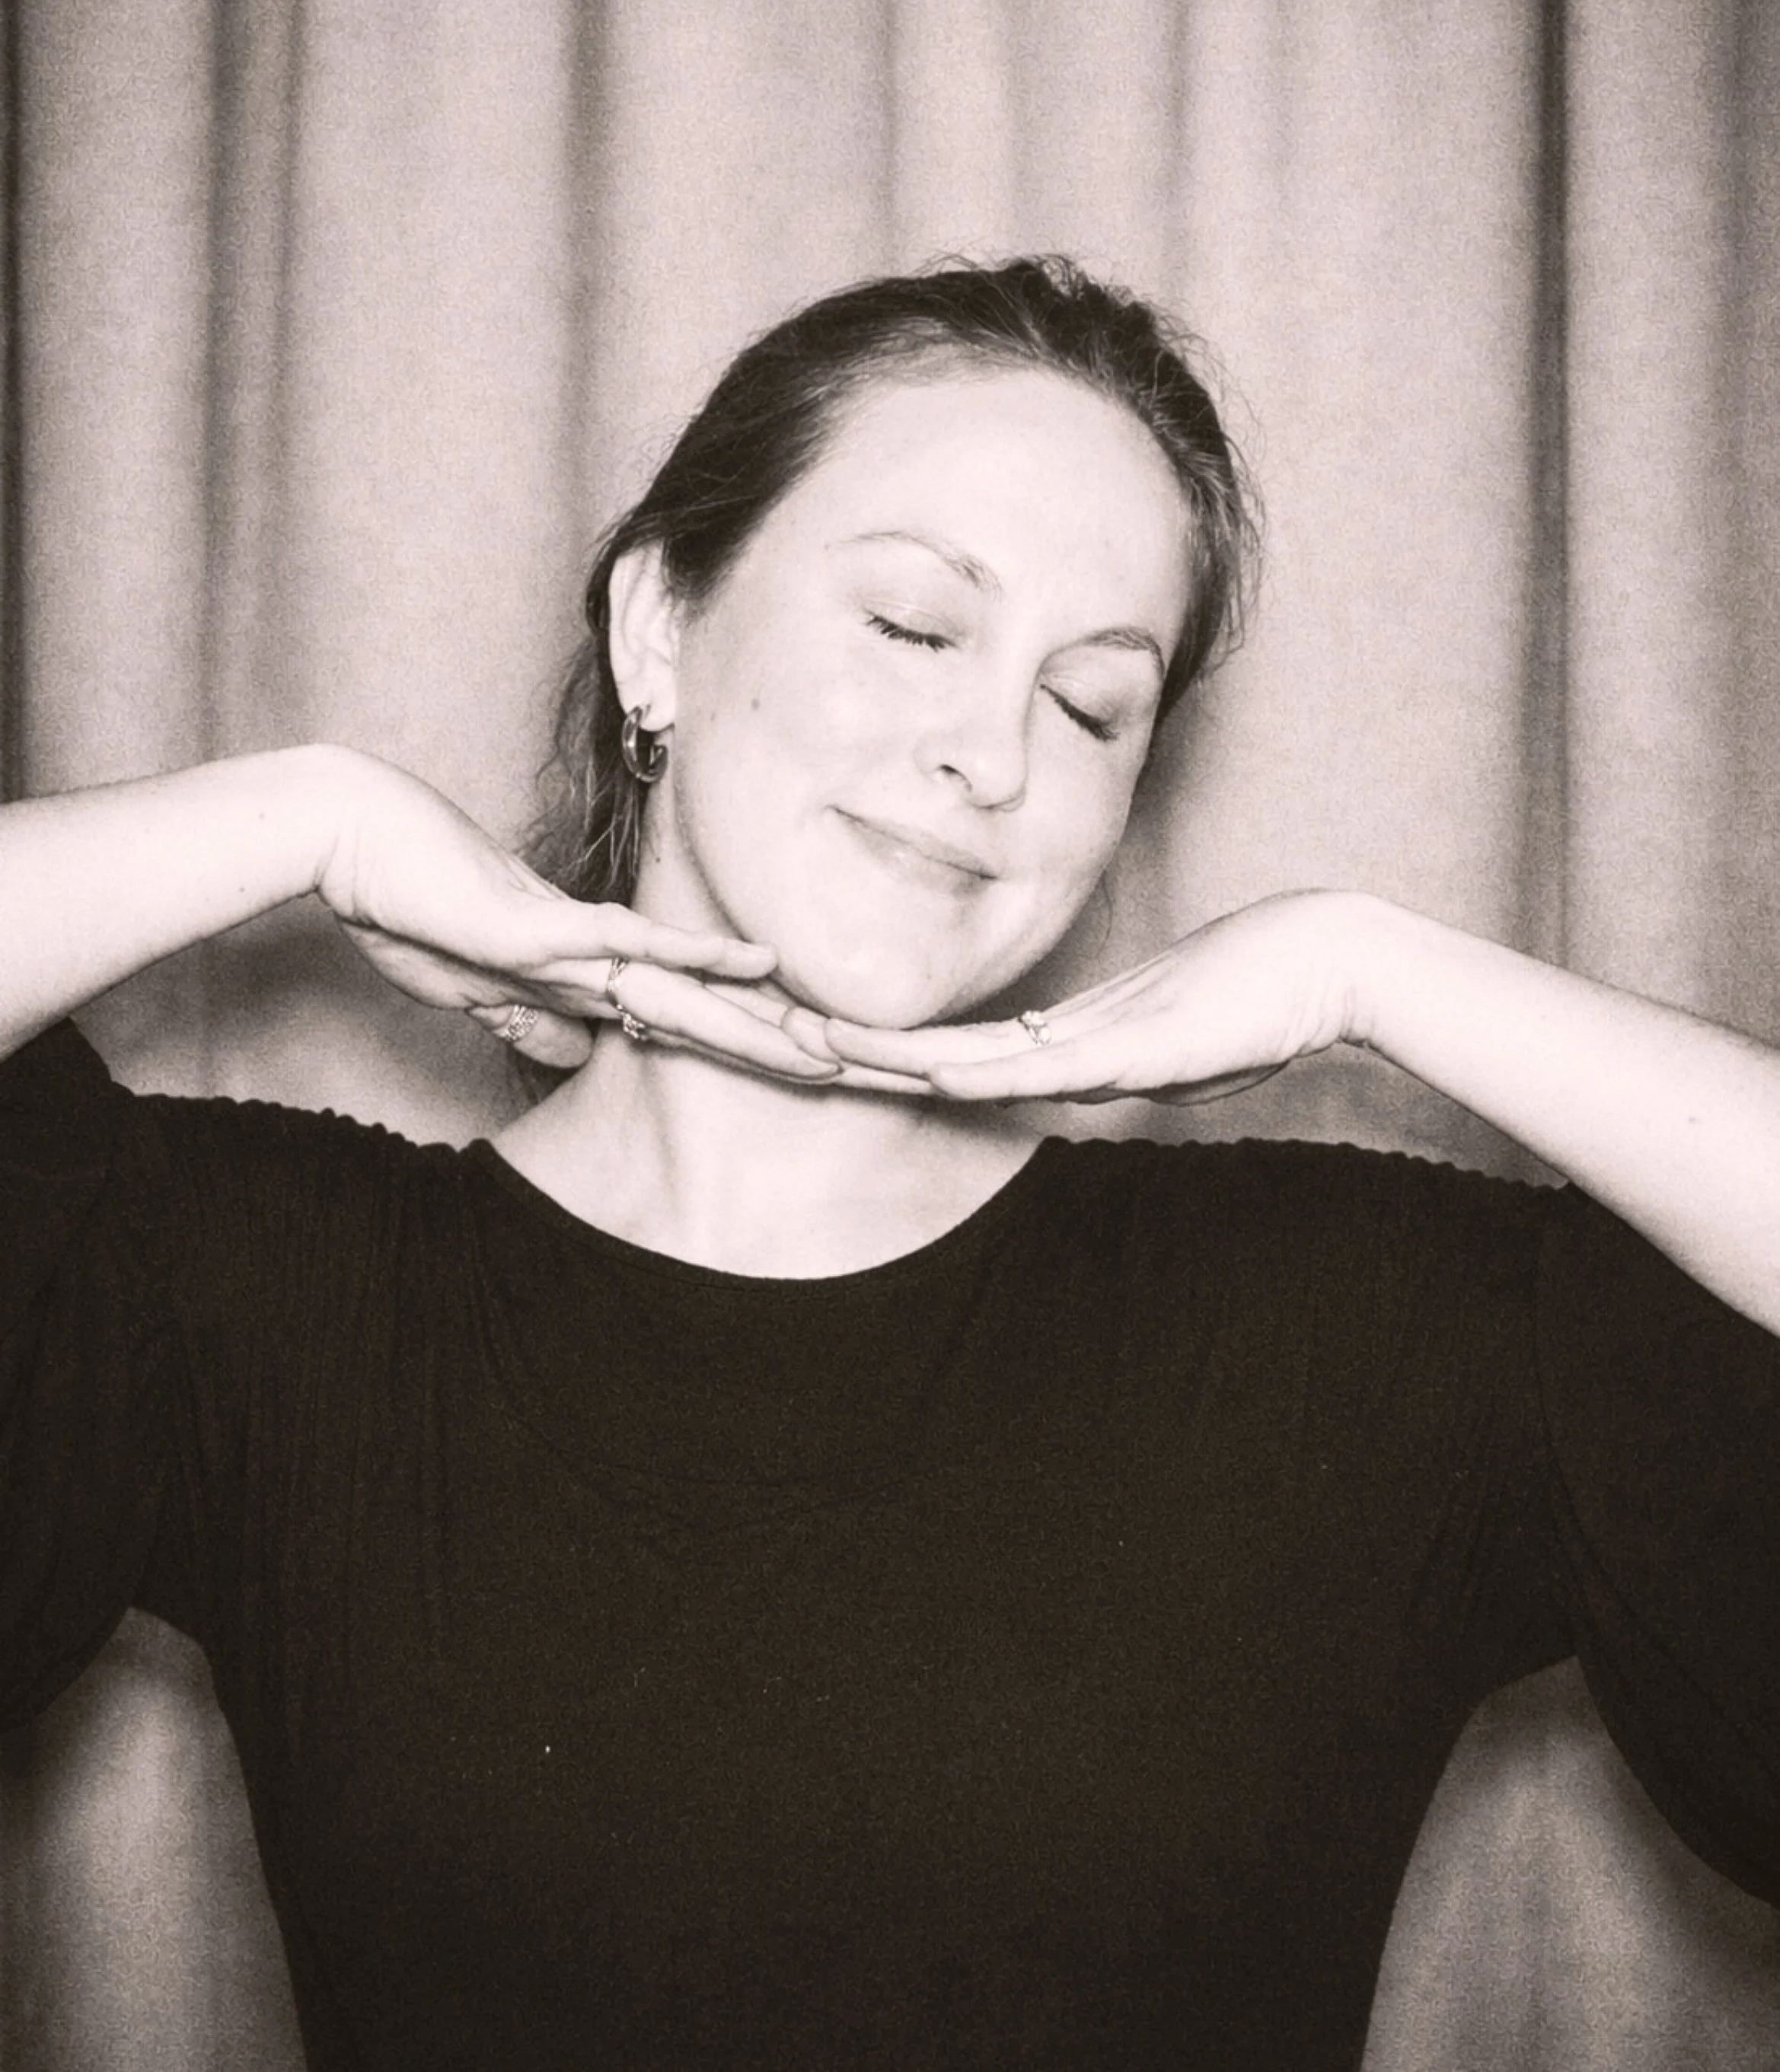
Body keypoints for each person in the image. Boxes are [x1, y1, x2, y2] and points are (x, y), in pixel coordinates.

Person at [1, 257, 1776, 2070]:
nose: (991, 753)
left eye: (1093, 707)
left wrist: (1372, 966)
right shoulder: (254, 1297)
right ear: (658, 631)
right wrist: (300, 813)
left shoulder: (1356, 1326)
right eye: (918, 629)